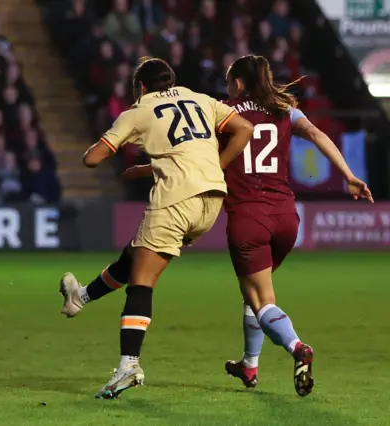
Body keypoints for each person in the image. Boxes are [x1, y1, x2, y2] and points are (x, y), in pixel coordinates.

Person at [59, 55, 374, 397]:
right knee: (152, 262)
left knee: (151, 282)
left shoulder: (204, 108)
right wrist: (349, 176)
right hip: (262, 211)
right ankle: (249, 364)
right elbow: (296, 133)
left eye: (228, 81)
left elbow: (101, 158)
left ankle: (131, 365)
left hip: (227, 212)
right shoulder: (259, 106)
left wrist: (203, 165)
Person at [76, 56, 254, 399]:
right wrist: (212, 167)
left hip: (175, 200)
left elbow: (93, 158)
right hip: (212, 201)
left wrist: (113, 141)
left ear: (140, 86)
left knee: (141, 283)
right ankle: (81, 296)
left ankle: (128, 366)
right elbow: (243, 129)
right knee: (134, 258)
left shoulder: (139, 109)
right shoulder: (200, 98)